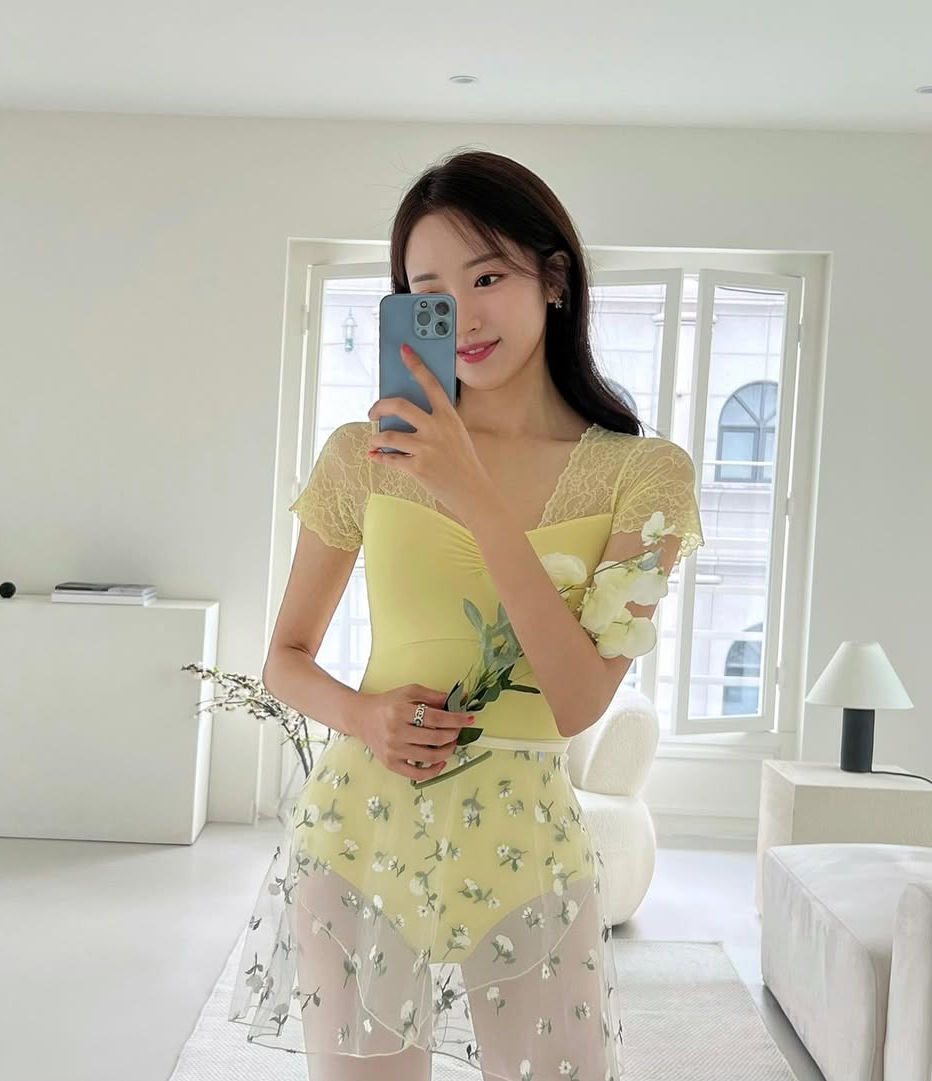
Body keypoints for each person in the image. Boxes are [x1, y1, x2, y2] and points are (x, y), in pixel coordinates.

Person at [228, 149, 705, 1081]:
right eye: (430, 292)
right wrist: (365, 714)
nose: (465, 314)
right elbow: (285, 656)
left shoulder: (647, 475)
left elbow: (576, 703)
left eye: (487, 277)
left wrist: (474, 494)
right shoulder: (361, 453)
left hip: (528, 838)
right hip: (360, 831)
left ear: (554, 278)